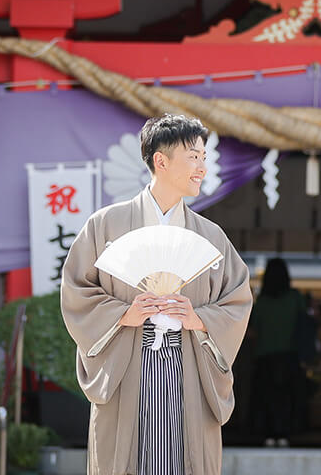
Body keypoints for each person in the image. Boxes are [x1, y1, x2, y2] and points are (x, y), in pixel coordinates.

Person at [61, 114, 252, 475]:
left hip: (188, 363)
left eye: (203, 157)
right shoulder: (105, 225)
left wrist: (199, 318)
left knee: (183, 459)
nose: (202, 166)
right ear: (160, 161)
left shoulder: (210, 237)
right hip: (127, 362)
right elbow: (76, 290)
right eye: (193, 156)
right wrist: (122, 314)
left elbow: (237, 299)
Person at [247, 257, 308, 447]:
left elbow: (252, 328)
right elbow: (305, 323)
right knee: (287, 396)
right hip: (289, 355)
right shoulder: (295, 298)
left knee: (266, 396)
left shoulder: (262, 302)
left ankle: (268, 435)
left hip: (264, 355)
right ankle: (285, 435)